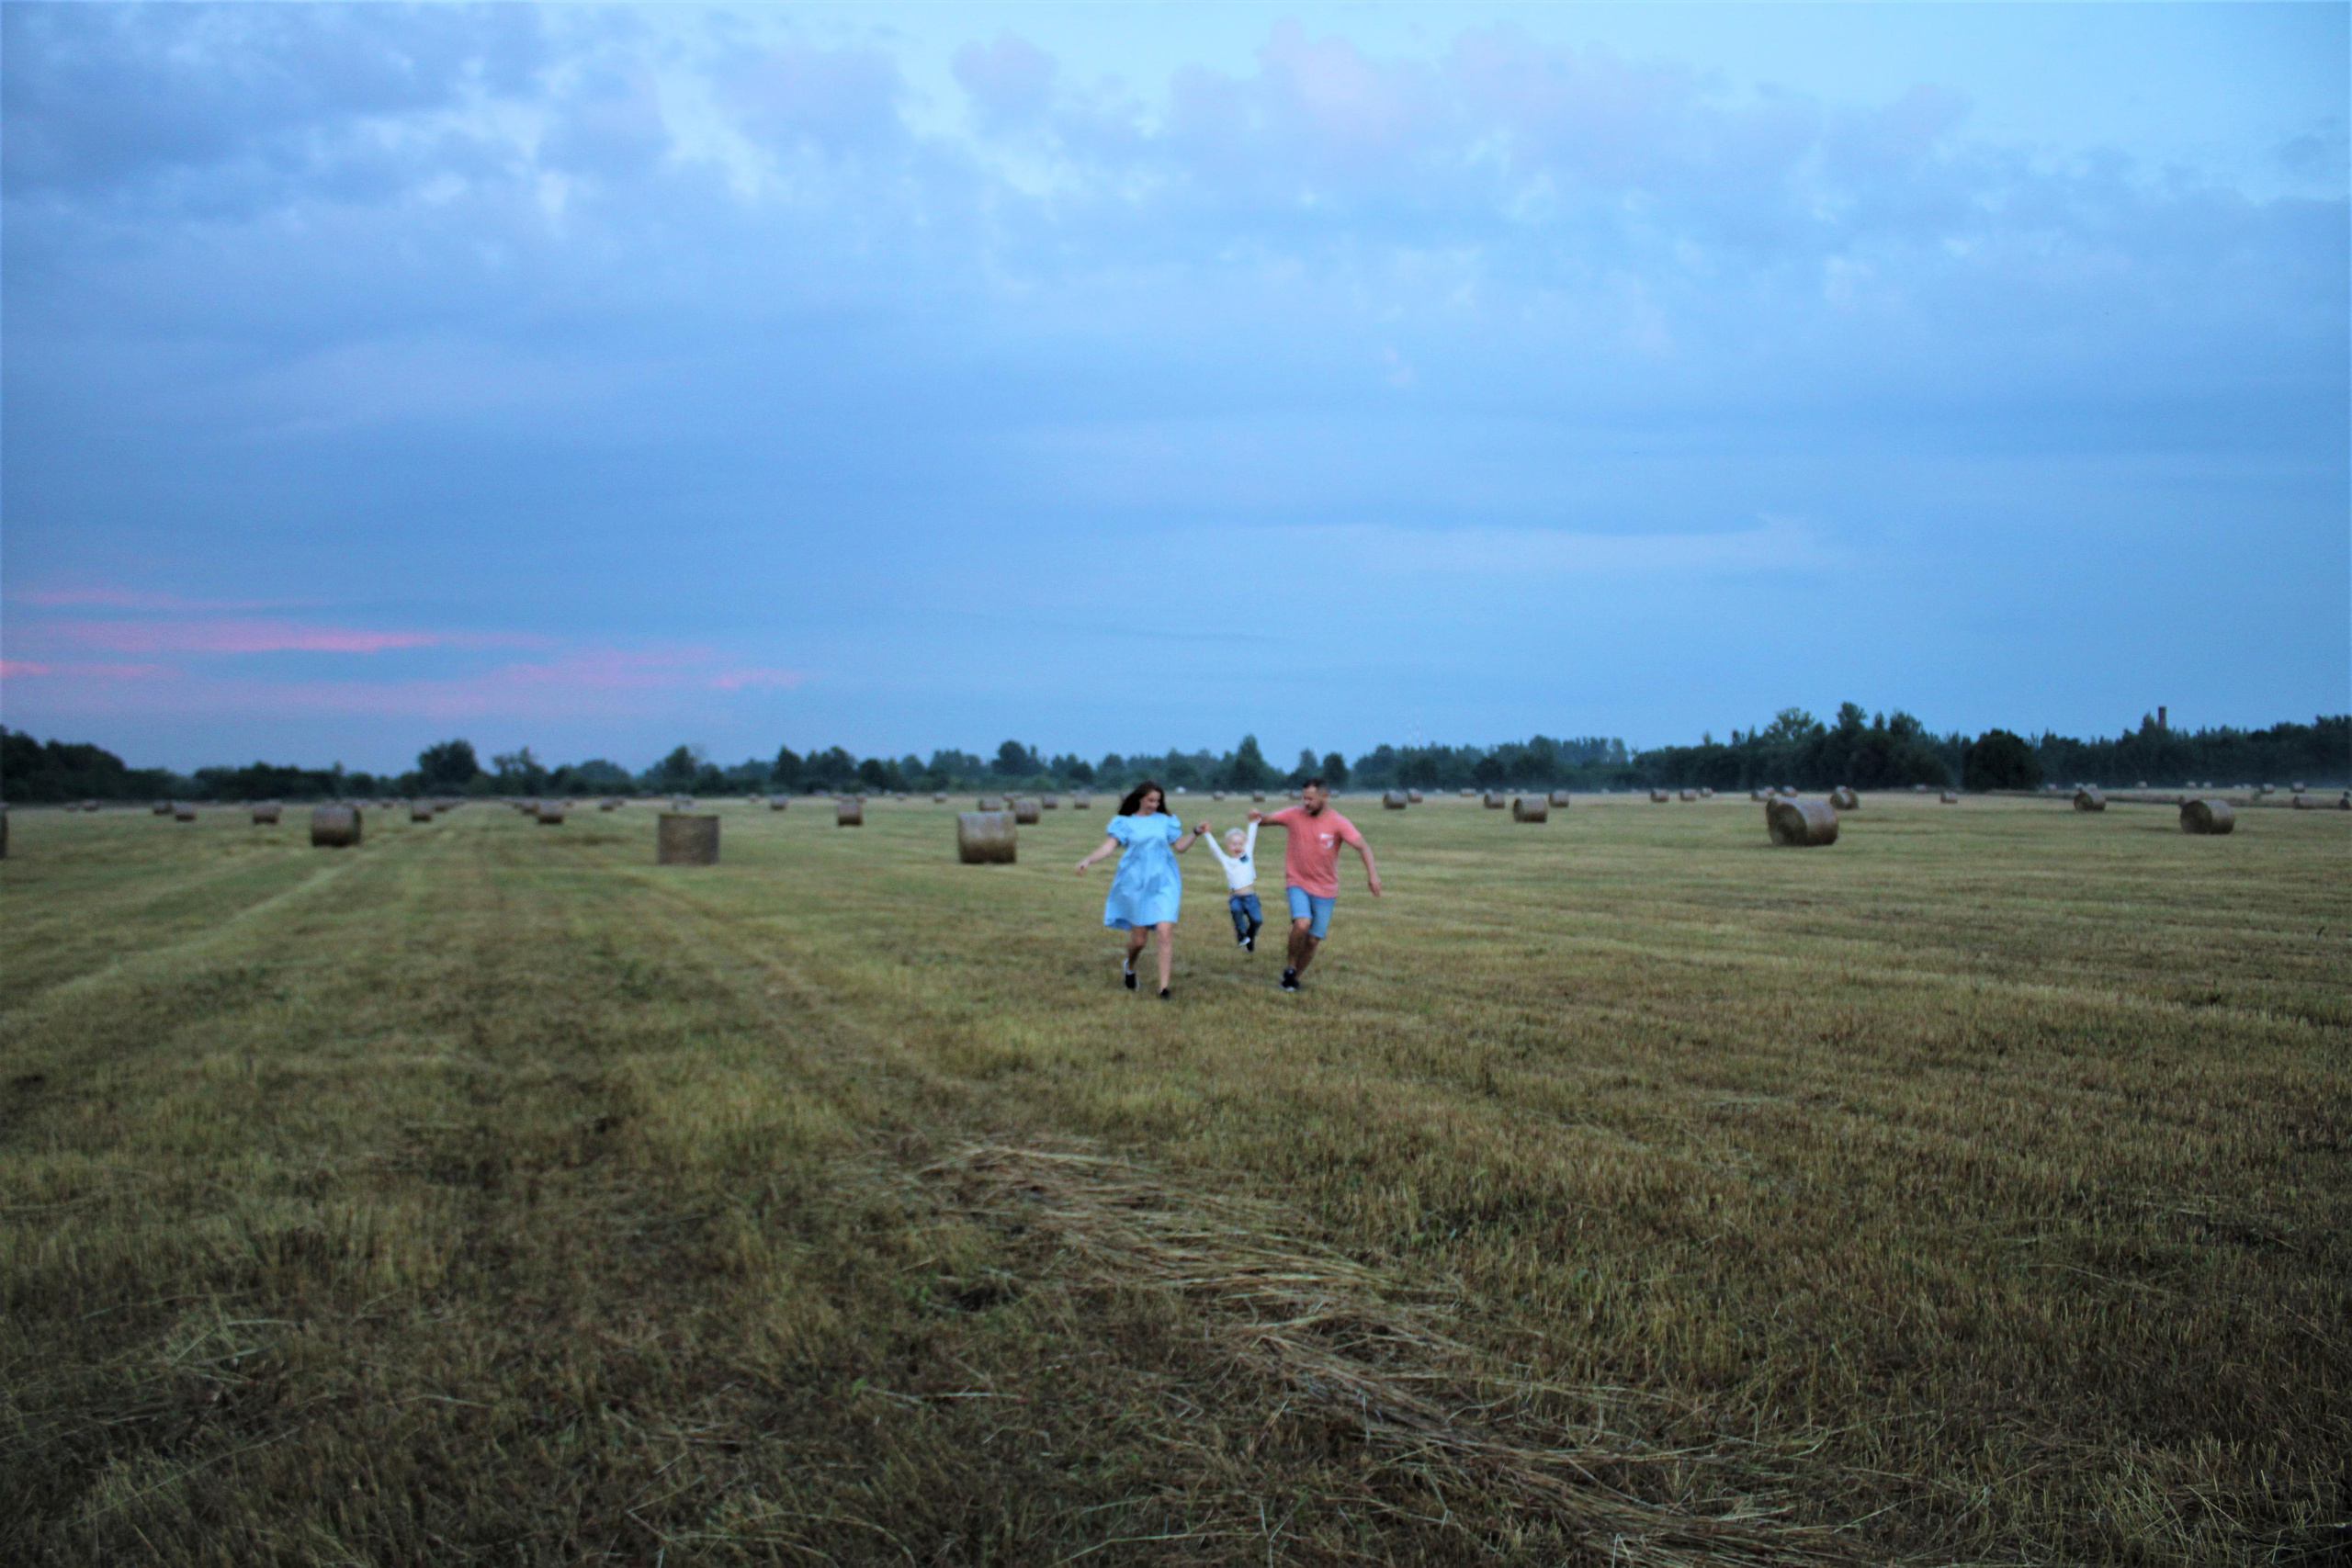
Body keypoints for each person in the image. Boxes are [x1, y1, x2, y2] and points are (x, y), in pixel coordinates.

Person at [1248, 778, 1381, 992]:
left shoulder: (1338, 822)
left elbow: (1363, 847)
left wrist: (1372, 875)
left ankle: (1292, 979)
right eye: (1304, 798)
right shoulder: (1294, 814)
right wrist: (1256, 815)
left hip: (1326, 889)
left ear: (1324, 797)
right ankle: (1291, 966)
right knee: (1302, 924)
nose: (1306, 803)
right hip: (1297, 881)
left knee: (1312, 941)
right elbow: (1265, 820)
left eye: (1310, 799)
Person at [1075, 779, 1200, 998]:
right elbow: (1108, 847)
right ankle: (1130, 967)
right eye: (1151, 800)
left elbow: (1180, 846)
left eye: (1158, 801)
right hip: (1135, 884)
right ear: (1140, 798)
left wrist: (1195, 833)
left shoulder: (1165, 820)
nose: (1154, 804)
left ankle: (1164, 989)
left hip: (1164, 883)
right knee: (1139, 940)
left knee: (1164, 933)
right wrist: (1088, 860)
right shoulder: (1124, 822)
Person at [1196, 819, 1263, 951]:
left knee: (1257, 920)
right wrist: (1207, 833)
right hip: (1236, 897)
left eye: (1240, 844)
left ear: (1245, 845)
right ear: (1228, 847)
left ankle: (1250, 937)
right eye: (1234, 844)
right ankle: (1242, 935)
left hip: (1250, 896)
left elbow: (1252, 837)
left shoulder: (1247, 857)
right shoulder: (1226, 861)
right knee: (1236, 910)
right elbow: (1215, 850)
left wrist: (1253, 822)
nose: (1237, 847)